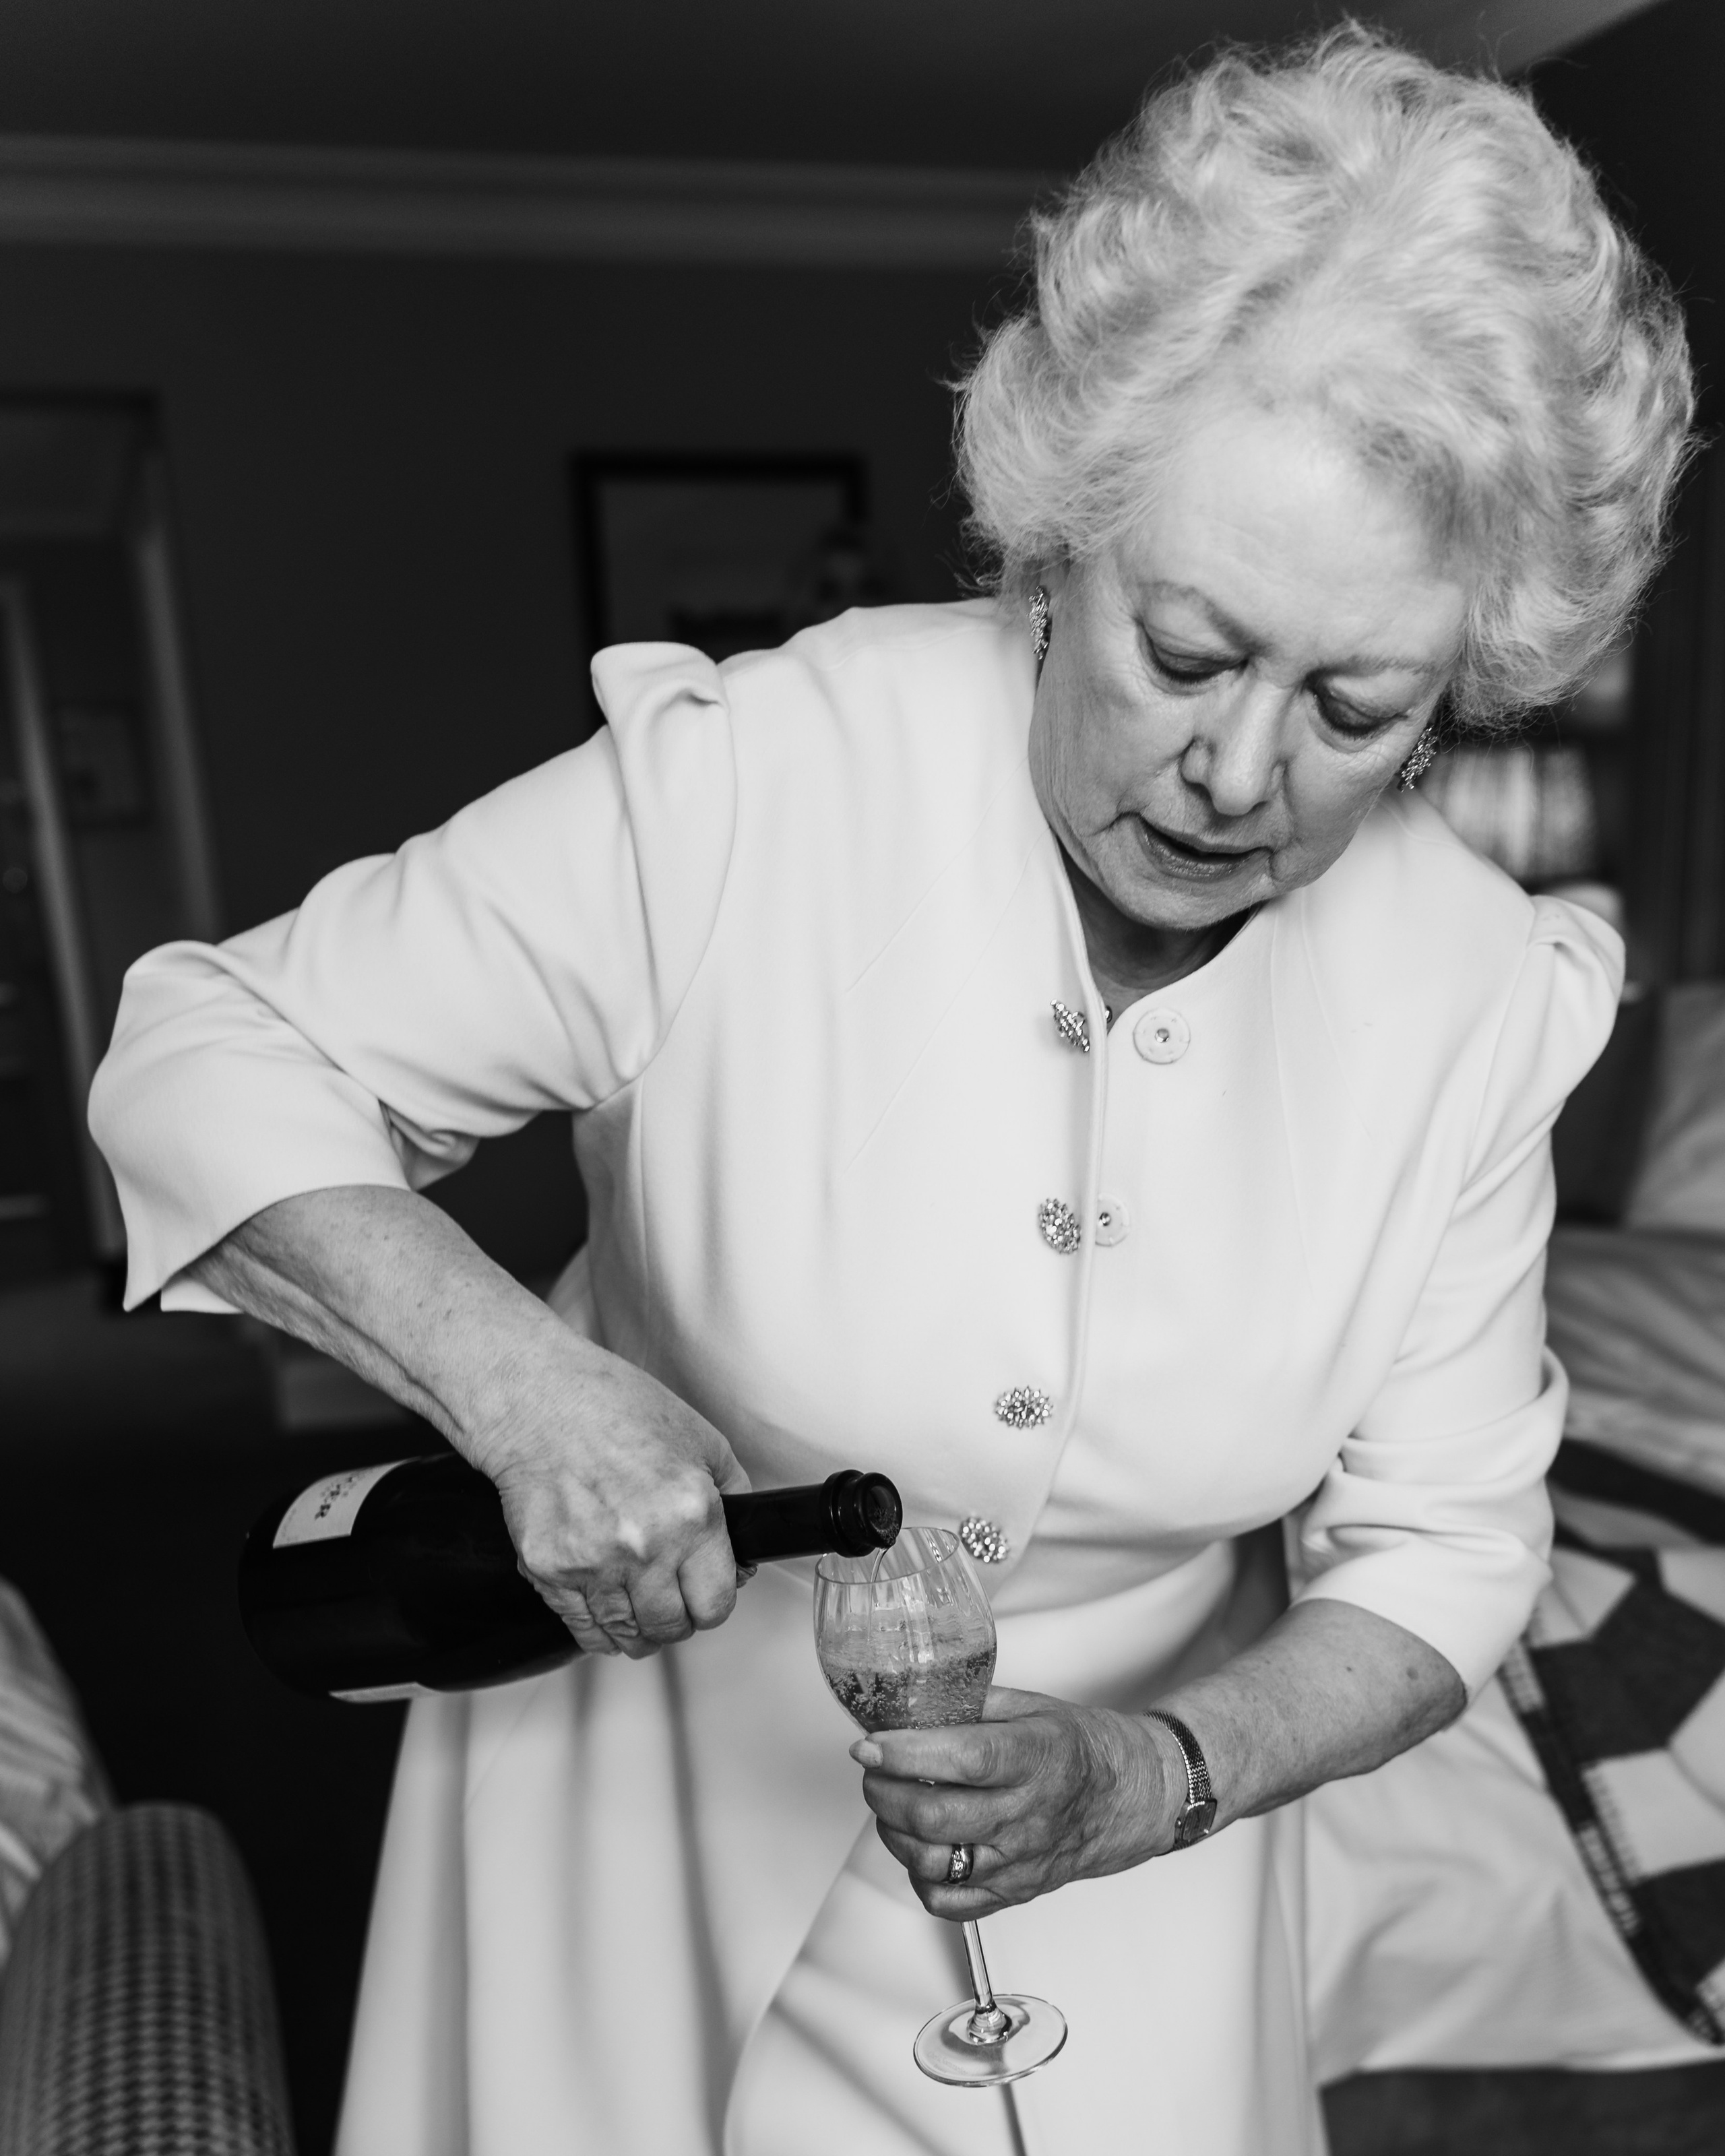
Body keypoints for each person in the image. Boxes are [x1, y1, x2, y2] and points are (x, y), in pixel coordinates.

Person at [88, 28, 1693, 2156]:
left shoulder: (1474, 993)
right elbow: (208, 1050)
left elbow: (1449, 1549)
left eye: (1355, 709)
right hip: (641, 1810)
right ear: (1058, 541)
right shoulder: (760, 785)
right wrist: (525, 1390)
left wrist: (1158, 1777)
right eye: (1187, 652)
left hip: (1133, 1865)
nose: (1238, 772)